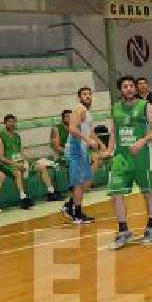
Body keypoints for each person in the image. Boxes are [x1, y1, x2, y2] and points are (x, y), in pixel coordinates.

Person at [103, 76, 152, 249]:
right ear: (120, 90)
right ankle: (123, 230)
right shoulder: (115, 108)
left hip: (142, 156)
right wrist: (109, 150)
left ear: (135, 89)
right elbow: (114, 132)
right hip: (121, 158)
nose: (128, 88)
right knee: (116, 193)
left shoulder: (146, 106)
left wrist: (143, 140)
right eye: (124, 86)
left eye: (131, 86)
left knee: (148, 192)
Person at [0, 114, 63, 209]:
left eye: (13, 122)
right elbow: (0, 157)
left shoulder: (17, 136)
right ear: (5, 123)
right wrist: (16, 164)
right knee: (18, 173)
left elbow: (20, 152)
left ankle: (51, 192)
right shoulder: (0, 137)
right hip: (7, 164)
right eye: (9, 122)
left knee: (41, 167)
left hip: (19, 161)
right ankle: (23, 199)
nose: (12, 124)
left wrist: (28, 161)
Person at [60, 87, 99, 224]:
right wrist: (87, 140)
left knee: (86, 181)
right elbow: (72, 128)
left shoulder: (87, 112)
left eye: (89, 94)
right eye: (84, 94)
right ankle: (76, 213)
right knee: (78, 182)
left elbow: (90, 131)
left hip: (81, 149)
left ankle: (69, 205)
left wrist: (101, 144)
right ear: (79, 97)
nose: (87, 96)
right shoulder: (79, 109)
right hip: (75, 149)